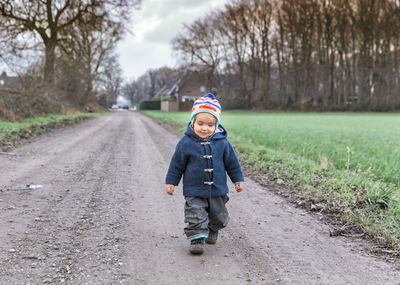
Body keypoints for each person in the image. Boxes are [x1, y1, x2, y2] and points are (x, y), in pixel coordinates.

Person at [165, 93, 244, 255]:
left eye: (210, 125)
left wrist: (238, 179)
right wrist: (171, 182)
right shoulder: (186, 142)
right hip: (194, 189)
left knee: (218, 215)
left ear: (217, 125)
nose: (204, 128)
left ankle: (212, 230)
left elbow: (232, 163)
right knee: (195, 212)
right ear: (192, 123)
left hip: (218, 189)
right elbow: (176, 165)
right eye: (200, 123)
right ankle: (196, 239)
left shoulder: (222, 142)